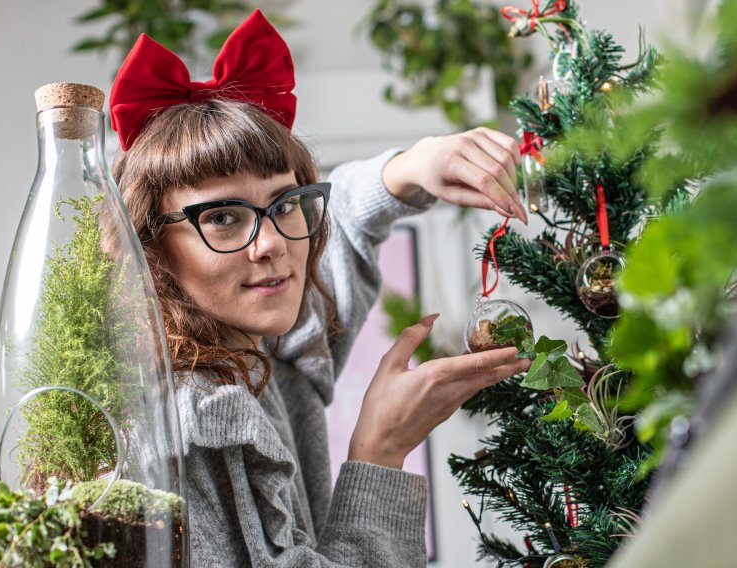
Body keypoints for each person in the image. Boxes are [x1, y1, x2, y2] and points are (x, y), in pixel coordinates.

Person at [110, 9, 531, 567]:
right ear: (150, 247)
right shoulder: (176, 436)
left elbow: (344, 230)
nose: (271, 245)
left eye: (285, 204)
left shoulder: (260, 350)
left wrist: (409, 167)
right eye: (222, 218)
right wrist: (380, 452)